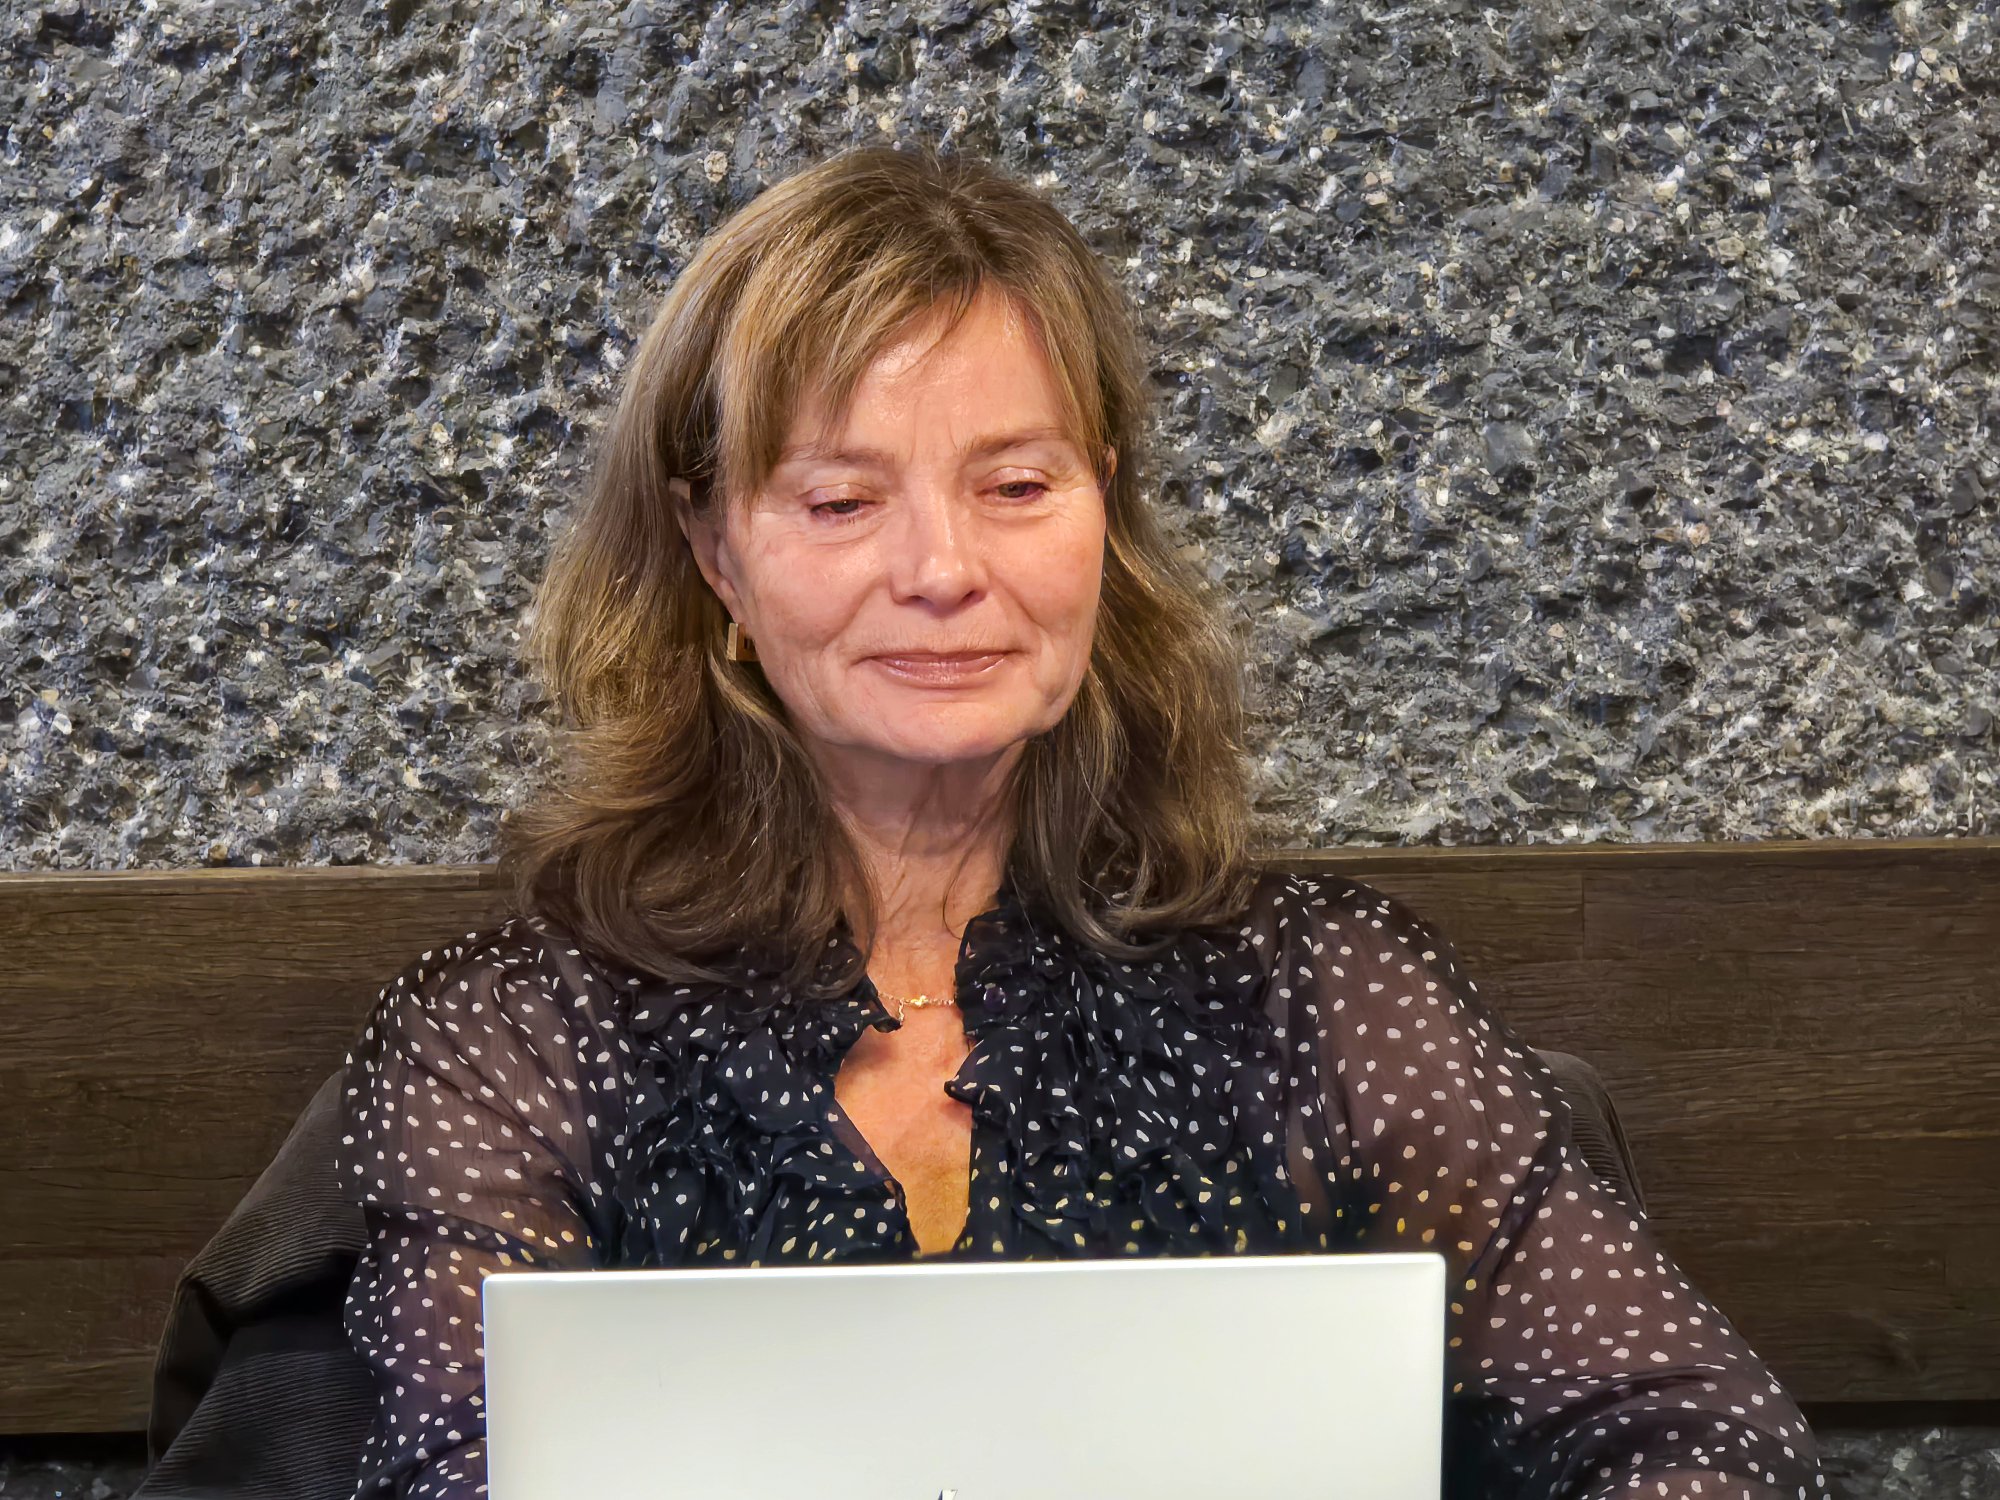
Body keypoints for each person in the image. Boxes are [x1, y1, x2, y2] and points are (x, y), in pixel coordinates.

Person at [334, 141, 1827, 1500]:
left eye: (1015, 485)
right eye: (842, 501)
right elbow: (459, 1474)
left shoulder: (1322, 996)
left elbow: (1700, 1435)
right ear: (715, 551)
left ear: (1101, 511)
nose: (943, 570)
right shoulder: (516, 1041)